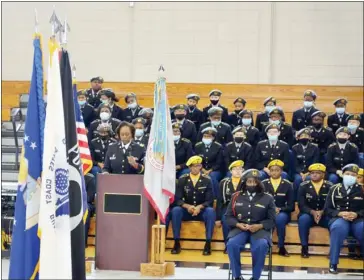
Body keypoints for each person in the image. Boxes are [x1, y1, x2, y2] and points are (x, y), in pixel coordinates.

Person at [225, 169, 276, 280]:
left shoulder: (268, 198)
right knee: (231, 244)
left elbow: (272, 220)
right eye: (249, 182)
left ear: (259, 183)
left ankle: (255, 277)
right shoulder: (236, 197)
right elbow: (228, 217)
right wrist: (238, 224)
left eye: (255, 182)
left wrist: (260, 226)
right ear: (244, 182)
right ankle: (237, 276)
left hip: (260, 230)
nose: (252, 184)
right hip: (240, 229)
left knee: (261, 246)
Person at [168, 156, 216, 256]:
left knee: (210, 212)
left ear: (201, 167)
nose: (195, 168)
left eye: (198, 166)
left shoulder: (207, 180)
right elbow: (178, 199)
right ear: (189, 168)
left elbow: (210, 200)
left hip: (201, 211)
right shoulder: (182, 179)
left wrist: (199, 207)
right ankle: (176, 242)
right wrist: (187, 206)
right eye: (193, 166)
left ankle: (208, 243)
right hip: (187, 210)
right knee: (176, 210)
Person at [324, 164, 364, 274]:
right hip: (339, 218)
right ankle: (333, 263)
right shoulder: (334, 189)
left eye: (353, 175)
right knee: (338, 228)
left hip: (358, 219)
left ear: (357, 177)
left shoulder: (362, 189)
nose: (350, 176)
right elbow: (327, 209)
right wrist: (340, 213)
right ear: (343, 175)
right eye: (348, 174)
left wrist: (356, 214)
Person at [297, 163, 332, 258]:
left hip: (324, 215)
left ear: (323, 175)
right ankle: (304, 247)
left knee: (334, 222)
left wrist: (322, 212)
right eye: (312, 173)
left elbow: (331, 204)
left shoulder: (330, 186)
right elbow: (301, 205)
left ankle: (333, 250)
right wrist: (312, 212)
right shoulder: (303, 186)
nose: (314, 175)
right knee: (303, 220)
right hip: (308, 214)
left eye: (317, 173)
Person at [262, 160, 294, 257]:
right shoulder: (263, 184)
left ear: (281, 172)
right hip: (267, 211)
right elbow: (260, 202)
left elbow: (291, 206)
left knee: (280, 220)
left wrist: (280, 209)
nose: (274, 172)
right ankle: (266, 246)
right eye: (272, 170)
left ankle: (281, 247)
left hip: (283, 212)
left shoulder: (288, 185)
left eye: (277, 170)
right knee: (265, 219)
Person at [216, 160, 244, 253]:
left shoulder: (246, 182)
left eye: (240, 169)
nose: (237, 171)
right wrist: (217, 218)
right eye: (235, 169)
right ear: (230, 171)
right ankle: (227, 245)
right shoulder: (224, 182)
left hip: (243, 207)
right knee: (225, 219)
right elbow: (220, 201)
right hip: (228, 207)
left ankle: (240, 245)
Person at [195, 127, 224, 198]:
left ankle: (216, 198)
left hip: (215, 170)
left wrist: (209, 170)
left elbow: (219, 163)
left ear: (213, 138)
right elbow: (196, 160)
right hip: (201, 169)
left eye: (209, 136)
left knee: (212, 177)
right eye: (205, 136)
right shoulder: (198, 146)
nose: (206, 138)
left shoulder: (218, 147)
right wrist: (203, 169)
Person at [292, 128, 320, 199]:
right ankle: (296, 199)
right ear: (298, 137)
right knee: (298, 179)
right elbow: (294, 163)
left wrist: (308, 173)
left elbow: (315, 162)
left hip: (311, 172)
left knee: (308, 179)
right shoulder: (295, 148)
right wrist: (301, 173)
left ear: (310, 138)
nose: (304, 137)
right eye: (302, 136)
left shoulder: (315, 148)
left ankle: (308, 198)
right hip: (298, 172)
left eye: (306, 136)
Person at [84, 173, 97, 247]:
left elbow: (89, 198)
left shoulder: (90, 178)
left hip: (87, 204)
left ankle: (82, 243)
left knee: (85, 209)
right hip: (72, 203)